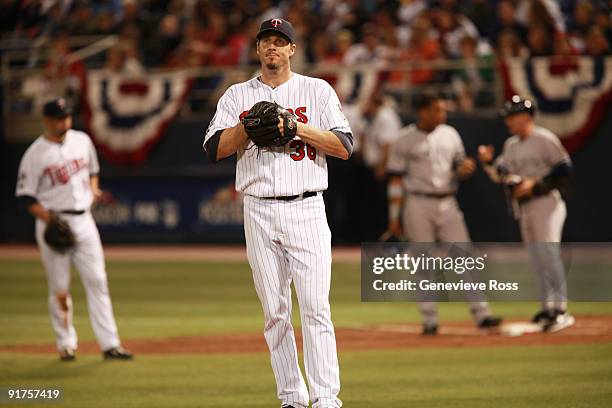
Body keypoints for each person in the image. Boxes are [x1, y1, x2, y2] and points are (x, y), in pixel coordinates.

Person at [202, 19, 352, 408]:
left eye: (280, 41)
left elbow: (344, 145)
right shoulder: (237, 95)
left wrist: (296, 127)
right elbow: (215, 148)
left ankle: (325, 398)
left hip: (307, 207)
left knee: (316, 308)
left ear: (292, 49)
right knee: (275, 313)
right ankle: (291, 397)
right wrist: (249, 127)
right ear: (257, 49)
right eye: (266, 41)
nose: (273, 47)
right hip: (258, 210)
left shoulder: (316, 90)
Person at [15, 98, 133, 362]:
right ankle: (66, 343)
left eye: (67, 116)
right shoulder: (35, 154)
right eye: (59, 117)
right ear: (46, 120)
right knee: (60, 287)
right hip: (53, 223)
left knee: (98, 282)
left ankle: (110, 344)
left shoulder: (82, 140)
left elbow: (93, 170)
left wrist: (93, 188)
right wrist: (49, 218)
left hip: (84, 221)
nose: (64, 121)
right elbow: (26, 197)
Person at [386, 94, 502, 335]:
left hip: (448, 201)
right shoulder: (405, 139)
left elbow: (459, 166)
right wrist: (394, 216)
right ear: (424, 111)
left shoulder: (450, 134)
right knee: (423, 261)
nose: (443, 114)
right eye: (438, 109)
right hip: (418, 201)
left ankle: (482, 314)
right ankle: (429, 319)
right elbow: (395, 179)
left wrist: (464, 169)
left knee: (464, 255)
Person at [478, 95, 574, 332]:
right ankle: (547, 308)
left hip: (546, 204)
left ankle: (560, 309)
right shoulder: (510, 145)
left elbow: (564, 169)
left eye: (512, 116)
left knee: (549, 253)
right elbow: (502, 173)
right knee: (536, 258)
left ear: (525, 117)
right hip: (526, 207)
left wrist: (536, 184)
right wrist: (488, 163)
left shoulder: (544, 138)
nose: (508, 121)